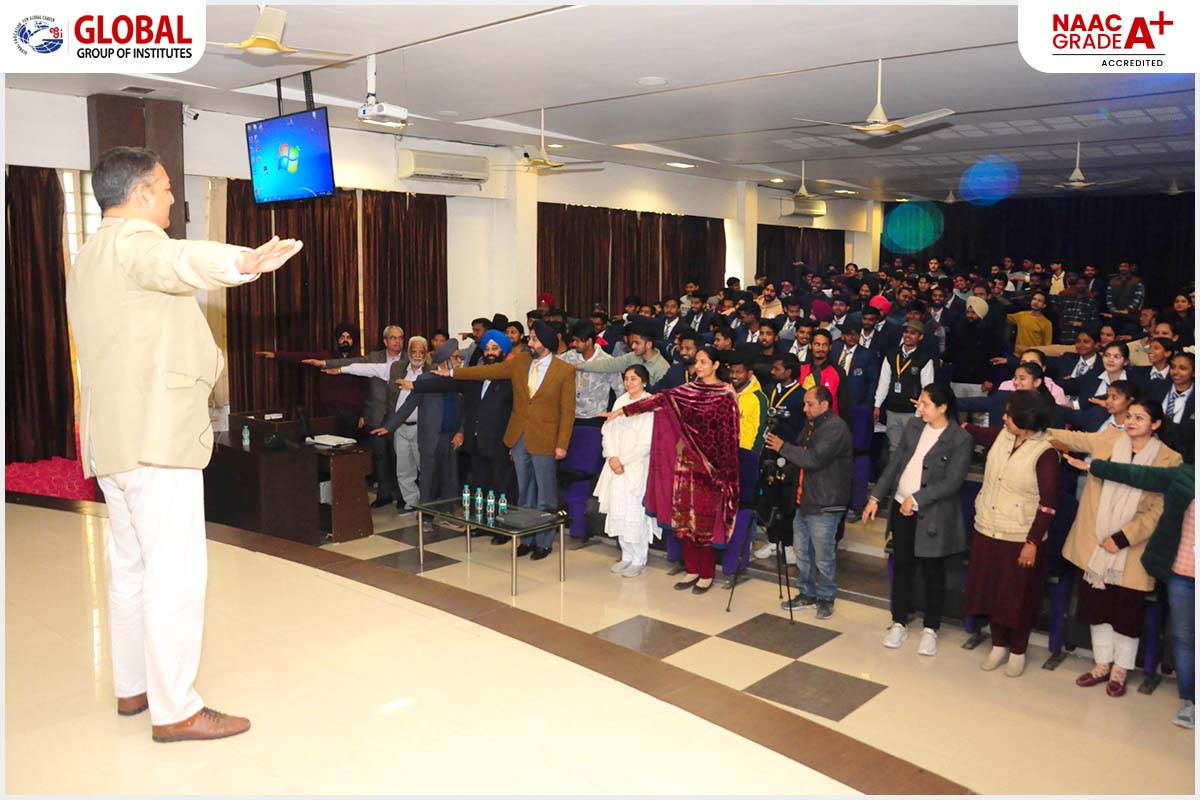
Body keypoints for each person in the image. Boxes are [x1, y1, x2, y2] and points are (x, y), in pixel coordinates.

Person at [66, 145, 304, 741]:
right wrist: (243, 261)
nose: (173, 196)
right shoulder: (134, 243)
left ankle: (134, 688)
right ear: (140, 193)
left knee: (129, 569)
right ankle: (177, 710)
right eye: (167, 186)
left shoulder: (89, 253)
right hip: (156, 437)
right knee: (174, 574)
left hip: (114, 439)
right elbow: (178, 260)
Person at [1051, 402, 1182, 697]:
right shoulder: (1109, 440)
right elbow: (1074, 438)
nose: (1131, 421)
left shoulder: (1169, 458)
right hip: (1096, 541)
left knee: (1126, 612)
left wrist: (1123, 537)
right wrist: (1036, 426)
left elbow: (1160, 508)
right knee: (1096, 606)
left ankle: (1120, 670)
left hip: (1133, 546)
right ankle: (1101, 664)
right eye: (1130, 416)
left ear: (1156, 424)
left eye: (1140, 417)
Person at [603, 346, 740, 594]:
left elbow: (730, 438)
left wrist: (724, 474)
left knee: (703, 524)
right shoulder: (688, 390)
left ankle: (706, 574)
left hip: (710, 469)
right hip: (685, 464)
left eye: (703, 362)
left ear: (716, 365)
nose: (698, 366)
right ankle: (692, 569)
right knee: (684, 521)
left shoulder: (726, 394)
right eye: (697, 362)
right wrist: (622, 410)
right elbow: (657, 400)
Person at [1078, 458, 1194, 727]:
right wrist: (1096, 467)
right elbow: (1138, 474)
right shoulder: (1187, 475)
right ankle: (1191, 702)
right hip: (1184, 574)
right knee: (1185, 639)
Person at [447, 321, 575, 559]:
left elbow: (568, 412)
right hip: (519, 436)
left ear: (546, 343)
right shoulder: (521, 362)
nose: (530, 342)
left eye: (534, 339)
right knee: (524, 492)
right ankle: (527, 538)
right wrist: (454, 372)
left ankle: (544, 542)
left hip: (546, 439)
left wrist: (562, 444)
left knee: (545, 494)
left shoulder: (564, 370)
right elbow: (487, 371)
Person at [864, 384, 972, 655]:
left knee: (933, 572)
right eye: (920, 403)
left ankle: (930, 628)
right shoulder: (914, 427)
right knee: (902, 567)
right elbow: (895, 464)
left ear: (943, 407)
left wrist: (917, 498)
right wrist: (875, 497)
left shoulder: (959, 439)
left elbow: (952, 482)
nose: (919, 408)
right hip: (901, 508)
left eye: (925, 404)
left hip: (933, 515)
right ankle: (899, 621)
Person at [961, 391, 1060, 677]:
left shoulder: (1045, 452)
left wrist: (1032, 542)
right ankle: (998, 645)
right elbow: (978, 432)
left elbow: (1048, 505)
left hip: (1020, 535)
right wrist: (958, 422)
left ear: (1025, 419)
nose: (1003, 418)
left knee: (1018, 597)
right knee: (992, 591)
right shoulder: (1003, 436)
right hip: (988, 527)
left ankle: (1018, 650)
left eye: (1009, 414)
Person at [764, 386, 852, 620]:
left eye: (809, 404)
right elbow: (800, 455)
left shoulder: (835, 428)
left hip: (825, 502)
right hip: (805, 498)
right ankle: (807, 592)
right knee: (802, 551)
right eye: (804, 403)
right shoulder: (812, 425)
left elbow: (814, 459)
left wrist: (782, 447)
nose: (804, 408)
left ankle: (826, 597)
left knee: (823, 556)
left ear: (824, 404)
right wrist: (786, 471)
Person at [328, 336, 430, 512]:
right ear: (408, 352)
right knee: (404, 470)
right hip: (399, 427)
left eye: (422, 352)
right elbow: (367, 368)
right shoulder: (397, 368)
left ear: (426, 354)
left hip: (422, 428)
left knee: (425, 470)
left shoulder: (431, 371)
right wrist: (339, 369)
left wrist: (414, 385)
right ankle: (411, 504)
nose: (418, 355)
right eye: (414, 351)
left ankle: (428, 507)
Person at [370, 340, 466, 515]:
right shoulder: (426, 380)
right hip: (430, 438)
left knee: (450, 480)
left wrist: (460, 431)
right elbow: (408, 405)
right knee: (428, 480)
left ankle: (449, 513)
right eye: (456, 357)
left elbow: (465, 410)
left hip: (451, 438)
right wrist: (389, 427)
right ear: (445, 360)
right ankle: (426, 517)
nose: (460, 360)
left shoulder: (459, 380)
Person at [321, 325, 407, 508]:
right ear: (385, 341)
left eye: (400, 338)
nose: (397, 341)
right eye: (393, 338)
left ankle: (402, 495)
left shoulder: (409, 359)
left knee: (400, 457)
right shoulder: (374, 357)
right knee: (380, 457)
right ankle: (384, 494)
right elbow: (353, 363)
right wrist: (326, 364)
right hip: (376, 415)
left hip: (399, 416)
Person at [595, 364, 661, 578]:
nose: (629, 383)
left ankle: (639, 558)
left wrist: (622, 460)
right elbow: (607, 431)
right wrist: (612, 456)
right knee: (618, 509)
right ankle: (626, 555)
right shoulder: (620, 401)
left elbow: (646, 443)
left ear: (644, 381)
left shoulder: (649, 404)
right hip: (615, 465)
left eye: (634, 379)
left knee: (634, 512)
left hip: (636, 465)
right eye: (626, 379)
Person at [255, 321, 368, 439]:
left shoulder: (361, 361)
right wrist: (277, 355)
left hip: (352, 414)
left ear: (354, 340)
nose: (345, 340)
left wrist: (364, 415)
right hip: (328, 411)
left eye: (349, 337)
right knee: (328, 443)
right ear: (337, 340)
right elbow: (303, 356)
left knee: (351, 446)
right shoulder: (327, 356)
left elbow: (366, 390)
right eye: (342, 337)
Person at [874, 322, 937, 468]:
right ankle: (894, 480)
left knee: (911, 449)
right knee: (894, 449)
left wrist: (919, 412)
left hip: (912, 412)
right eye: (906, 332)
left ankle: (908, 479)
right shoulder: (892, 354)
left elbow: (927, 388)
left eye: (913, 333)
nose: (908, 336)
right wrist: (877, 405)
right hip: (892, 409)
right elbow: (884, 381)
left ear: (920, 337)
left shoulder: (924, 358)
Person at [560, 320, 618, 425]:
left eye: (577, 341)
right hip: (571, 415)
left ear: (589, 341)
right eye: (574, 340)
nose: (574, 344)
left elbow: (619, 390)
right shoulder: (568, 357)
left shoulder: (607, 361)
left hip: (597, 417)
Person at [576, 324, 670, 387]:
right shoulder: (633, 356)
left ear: (649, 344)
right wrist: (580, 366)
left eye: (637, 343)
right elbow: (609, 364)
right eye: (632, 342)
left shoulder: (662, 368)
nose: (633, 346)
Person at [1161, 352, 1195, 462]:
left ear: (1194, 372)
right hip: (1155, 450)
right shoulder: (1157, 388)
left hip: (1187, 457)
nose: (1175, 372)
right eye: (1173, 367)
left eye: (1182, 368)